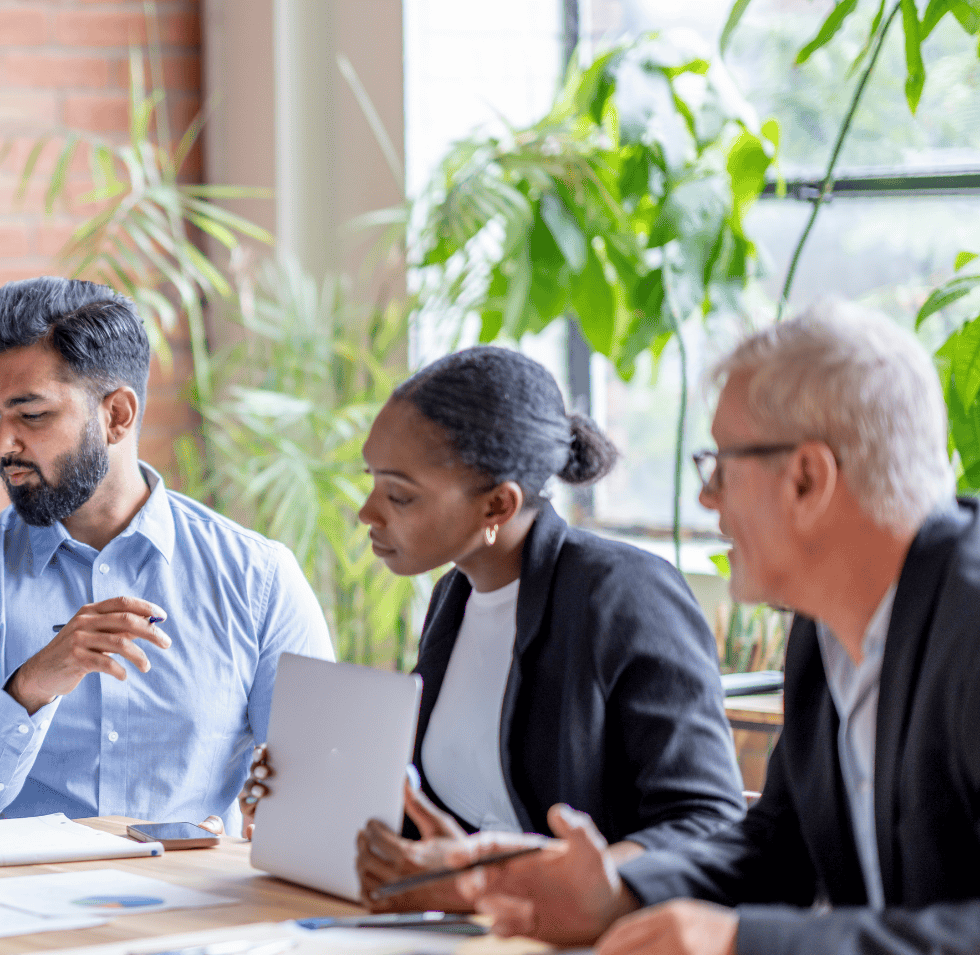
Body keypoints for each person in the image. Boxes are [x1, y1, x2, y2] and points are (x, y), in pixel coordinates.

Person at [460, 302, 980, 955]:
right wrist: (617, 892)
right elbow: (779, 847)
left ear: (807, 479)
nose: (707, 498)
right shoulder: (825, 626)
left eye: (721, 466)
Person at [246, 346, 747, 911]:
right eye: (374, 481)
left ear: (497, 506)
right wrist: (306, 805)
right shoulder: (454, 600)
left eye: (399, 494)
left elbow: (708, 824)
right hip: (479, 941)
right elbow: (453, 822)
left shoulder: (624, 593)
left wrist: (493, 879)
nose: (368, 511)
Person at [0, 277, 333, 827]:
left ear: (117, 415)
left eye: (31, 415)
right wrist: (31, 686)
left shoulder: (258, 578)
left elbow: (323, 792)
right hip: (25, 907)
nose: (2, 445)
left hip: (194, 905)